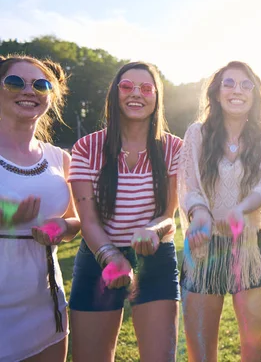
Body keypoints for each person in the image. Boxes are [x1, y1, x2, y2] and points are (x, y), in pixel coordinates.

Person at [68, 62, 182, 361]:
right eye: (127, 86)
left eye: (146, 88)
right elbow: (88, 220)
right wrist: (110, 256)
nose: (136, 94)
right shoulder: (86, 148)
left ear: (156, 97)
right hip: (98, 256)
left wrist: (153, 230)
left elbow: (170, 214)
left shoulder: (174, 149)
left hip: (155, 260)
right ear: (114, 93)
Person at [178, 61, 261, 362]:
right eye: (229, 83)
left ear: (256, 94)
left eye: (246, 84)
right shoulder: (197, 133)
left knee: (255, 353)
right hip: (204, 248)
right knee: (201, 353)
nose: (237, 90)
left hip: (251, 247)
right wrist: (200, 213)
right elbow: (190, 185)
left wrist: (240, 210)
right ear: (216, 92)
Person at [0, 55, 81, 362]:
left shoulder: (60, 158)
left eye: (41, 85)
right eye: (15, 82)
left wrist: (63, 228)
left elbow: (76, 219)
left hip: (45, 302)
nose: (29, 91)